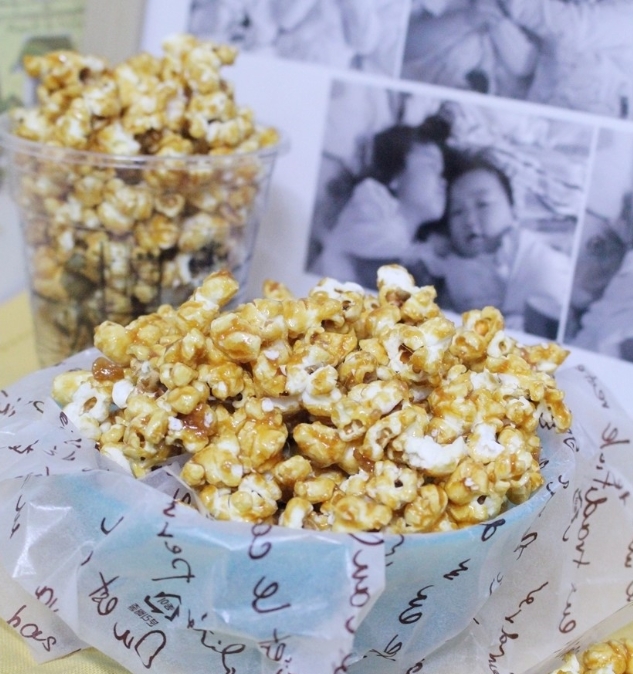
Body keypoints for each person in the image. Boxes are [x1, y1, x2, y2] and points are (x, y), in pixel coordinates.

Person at [422, 152, 572, 335]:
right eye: (457, 211)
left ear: (514, 209)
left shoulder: (529, 253)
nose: (469, 220)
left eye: (483, 204)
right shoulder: (447, 262)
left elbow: (550, 294)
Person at [315, 113, 453, 288]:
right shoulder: (371, 198)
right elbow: (361, 241)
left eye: (442, 173)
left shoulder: (410, 243)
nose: (443, 182)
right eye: (431, 166)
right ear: (394, 177)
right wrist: (419, 254)